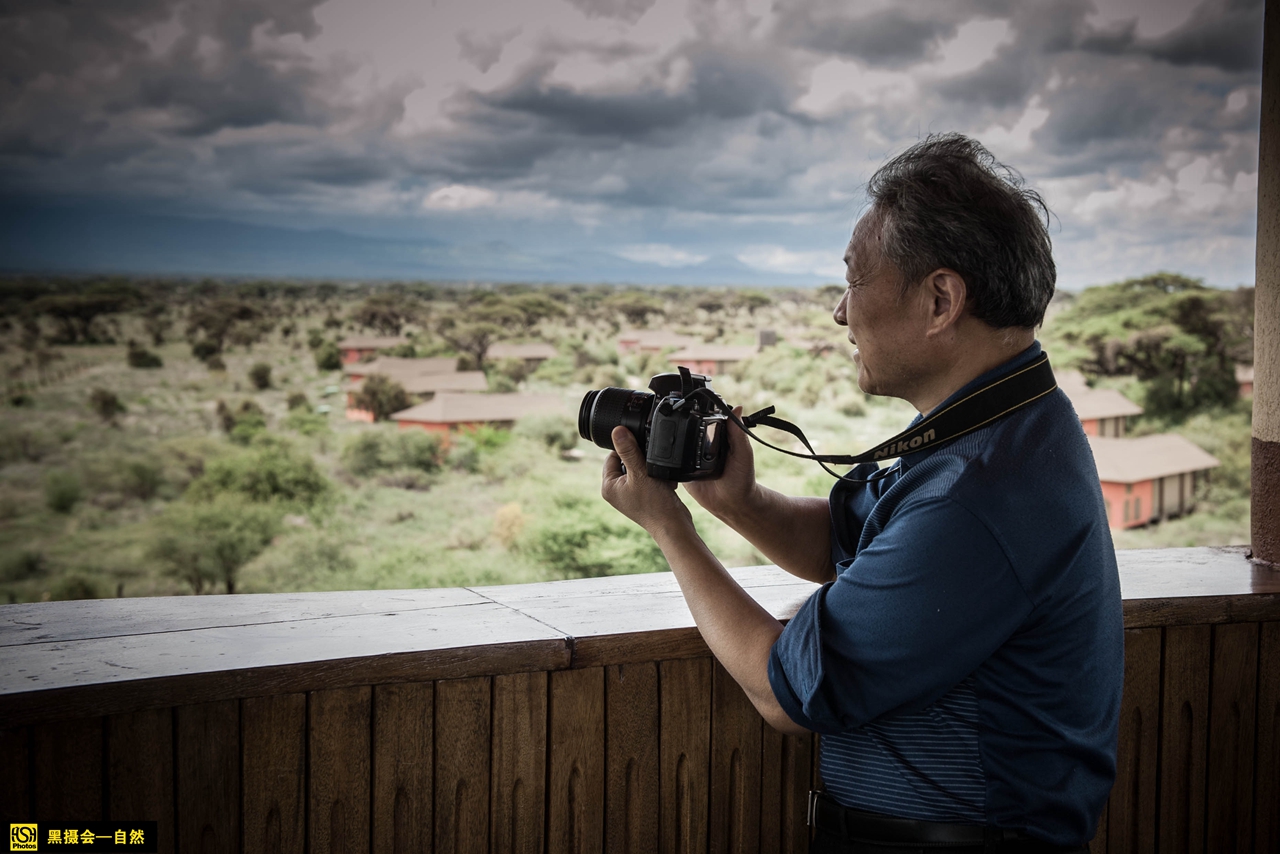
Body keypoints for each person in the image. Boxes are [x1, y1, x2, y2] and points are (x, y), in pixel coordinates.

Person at [600, 133, 1123, 853]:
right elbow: (845, 542)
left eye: (854, 280)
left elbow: (786, 692)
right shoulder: (1004, 427)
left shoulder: (978, 493)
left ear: (940, 300)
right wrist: (737, 502)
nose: (841, 313)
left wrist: (670, 529)